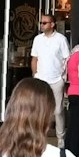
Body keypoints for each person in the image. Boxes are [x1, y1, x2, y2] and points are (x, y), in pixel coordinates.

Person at [30, 11, 70, 139]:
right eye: (41, 22)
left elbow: (67, 59)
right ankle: (38, 137)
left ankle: (60, 139)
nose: (41, 25)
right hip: (41, 79)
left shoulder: (61, 39)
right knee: (40, 109)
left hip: (57, 79)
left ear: (52, 24)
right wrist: (35, 75)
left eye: (44, 23)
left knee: (58, 111)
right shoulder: (37, 39)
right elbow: (34, 59)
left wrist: (63, 77)